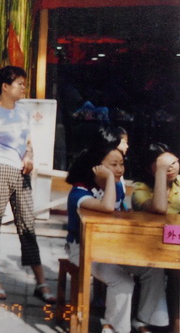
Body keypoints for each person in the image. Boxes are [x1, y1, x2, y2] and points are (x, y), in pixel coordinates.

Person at [66, 143, 168, 333]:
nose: (120, 169)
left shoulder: (117, 186)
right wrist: (110, 180)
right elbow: (107, 207)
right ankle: (113, 327)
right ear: (97, 167)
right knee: (122, 281)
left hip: (112, 247)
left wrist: (112, 181)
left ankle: (143, 320)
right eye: (113, 165)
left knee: (153, 269)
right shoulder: (79, 192)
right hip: (83, 250)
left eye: (121, 164)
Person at [0, 65, 54, 302]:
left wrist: (29, 155)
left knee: (27, 224)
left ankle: (40, 281)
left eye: (24, 83)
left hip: (21, 173)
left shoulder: (23, 112)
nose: (23, 87)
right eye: (19, 83)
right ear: (5, 87)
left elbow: (28, 142)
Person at [132, 143, 180, 333]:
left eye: (173, 162)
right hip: (149, 249)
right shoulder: (140, 189)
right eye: (162, 164)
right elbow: (159, 208)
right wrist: (161, 173)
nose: (170, 168)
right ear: (149, 169)